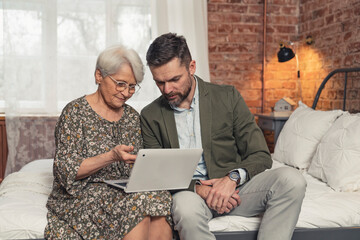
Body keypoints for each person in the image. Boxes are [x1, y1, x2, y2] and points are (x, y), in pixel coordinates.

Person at [140, 32, 307, 240]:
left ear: (191, 67)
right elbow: (157, 173)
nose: (167, 89)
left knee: (293, 180)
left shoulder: (228, 97)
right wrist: (200, 189)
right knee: (184, 209)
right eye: (159, 82)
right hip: (191, 194)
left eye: (174, 79)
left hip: (237, 191)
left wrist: (232, 179)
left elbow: (260, 154)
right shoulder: (150, 115)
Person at [44, 45, 173, 240]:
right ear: (98, 76)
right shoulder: (75, 113)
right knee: (137, 204)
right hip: (82, 192)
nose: (126, 92)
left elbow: (137, 163)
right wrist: (111, 157)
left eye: (132, 86)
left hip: (122, 188)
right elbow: (66, 171)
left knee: (159, 197)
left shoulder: (131, 116)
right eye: (120, 84)